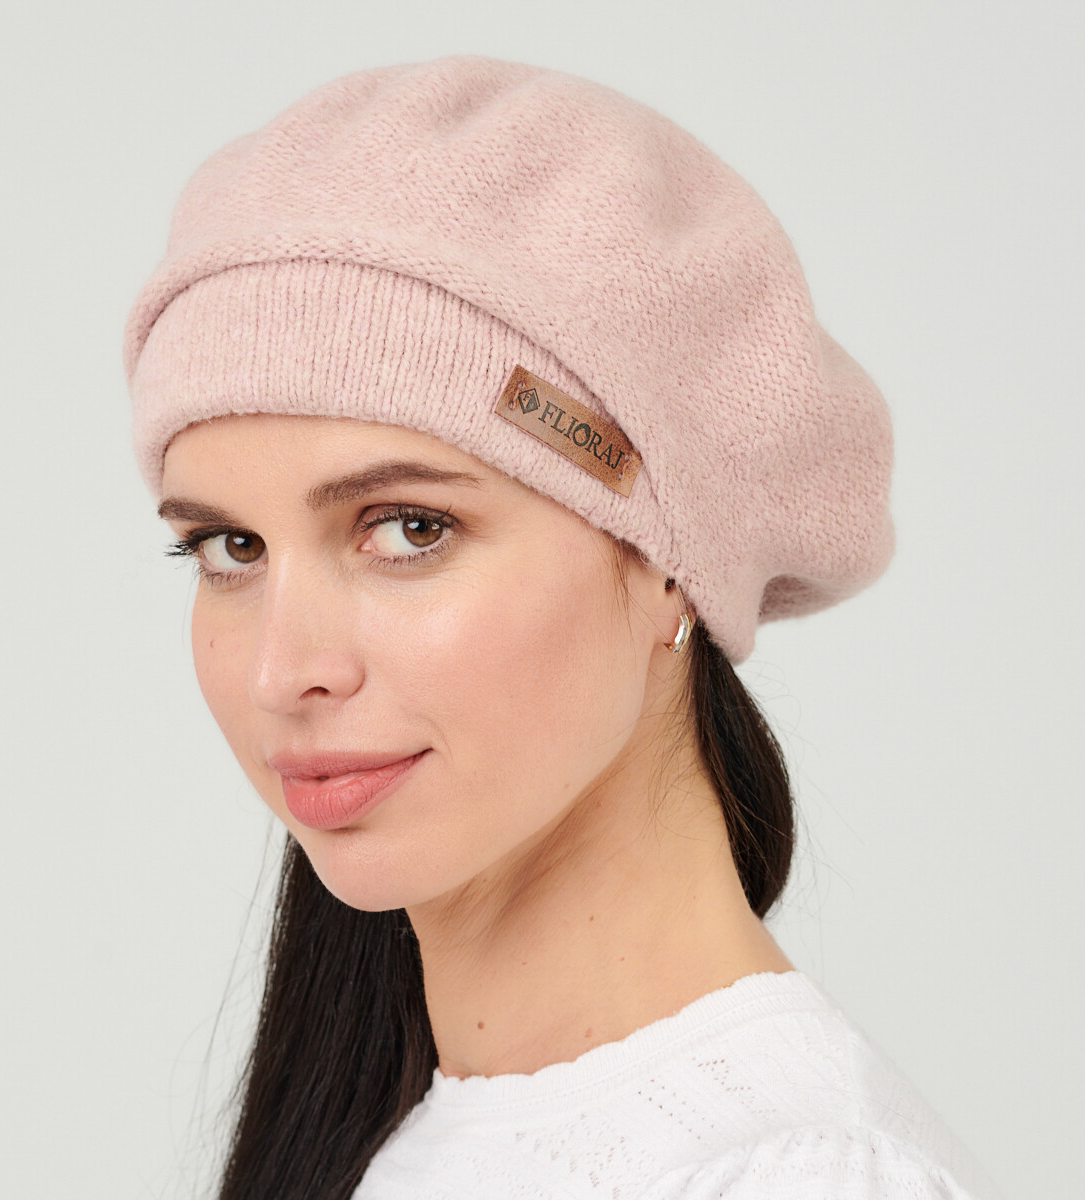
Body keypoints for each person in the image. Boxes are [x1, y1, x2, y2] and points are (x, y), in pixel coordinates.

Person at [122, 54, 1001, 1200]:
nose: (283, 673)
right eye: (230, 548)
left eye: (411, 528)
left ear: (670, 562)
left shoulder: (805, 1176)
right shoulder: (393, 1146)